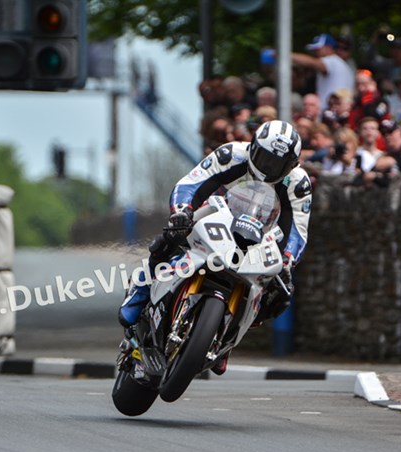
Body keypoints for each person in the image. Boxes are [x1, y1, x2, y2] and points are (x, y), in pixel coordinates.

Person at [117, 120, 311, 375]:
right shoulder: (231, 155)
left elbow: (297, 229)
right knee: (168, 241)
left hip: (259, 235)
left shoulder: (298, 184)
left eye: (279, 164)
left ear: (292, 165)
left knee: (280, 294)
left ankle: (226, 339)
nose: (270, 167)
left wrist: (287, 260)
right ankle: (140, 291)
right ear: (253, 147)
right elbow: (192, 184)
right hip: (214, 213)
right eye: (265, 158)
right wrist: (182, 211)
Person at [292, 34, 355, 107]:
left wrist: (283, 55)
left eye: (317, 49)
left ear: (328, 47)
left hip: (332, 110)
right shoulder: (343, 65)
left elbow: (311, 62)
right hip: (341, 109)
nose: (315, 53)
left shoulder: (332, 61)